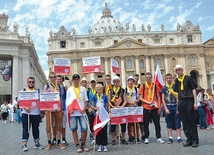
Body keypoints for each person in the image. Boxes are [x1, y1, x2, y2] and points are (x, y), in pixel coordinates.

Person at [174, 64, 199, 147]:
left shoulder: (188, 78)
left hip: (189, 101)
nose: (178, 71)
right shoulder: (177, 80)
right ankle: (189, 139)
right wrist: (178, 105)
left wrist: (195, 102)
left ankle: (195, 140)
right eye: (176, 70)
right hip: (181, 102)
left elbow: (193, 90)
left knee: (191, 121)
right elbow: (177, 93)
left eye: (179, 70)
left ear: (182, 70)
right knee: (184, 122)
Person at [138, 72, 165, 144]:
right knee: (145, 124)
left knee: (157, 123)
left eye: (149, 77)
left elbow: (158, 96)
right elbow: (140, 97)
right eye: (147, 77)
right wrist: (147, 102)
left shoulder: (155, 86)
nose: (148, 79)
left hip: (155, 107)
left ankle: (158, 137)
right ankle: (146, 137)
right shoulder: (142, 86)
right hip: (146, 107)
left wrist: (159, 106)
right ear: (145, 78)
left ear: (151, 78)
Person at [66, 74, 89, 153]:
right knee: (74, 129)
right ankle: (77, 145)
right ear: (72, 80)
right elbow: (67, 101)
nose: (76, 81)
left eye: (77, 79)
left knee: (84, 128)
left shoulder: (83, 89)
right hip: (73, 113)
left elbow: (86, 100)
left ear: (79, 80)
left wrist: (84, 108)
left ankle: (83, 143)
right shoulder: (69, 90)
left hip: (81, 112)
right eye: (74, 79)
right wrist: (69, 109)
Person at [21, 77, 44, 152]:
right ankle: (24, 144)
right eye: (30, 82)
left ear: (34, 83)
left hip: (36, 113)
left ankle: (37, 143)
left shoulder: (38, 91)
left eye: (32, 82)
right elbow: (20, 102)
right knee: (26, 128)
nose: (31, 83)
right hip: (26, 113)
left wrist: (42, 112)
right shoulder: (23, 91)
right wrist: (24, 107)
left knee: (36, 128)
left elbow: (41, 102)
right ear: (27, 83)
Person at [44, 72, 65, 150]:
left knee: (59, 126)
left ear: (56, 78)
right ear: (49, 78)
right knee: (49, 126)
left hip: (58, 109)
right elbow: (43, 98)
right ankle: (49, 143)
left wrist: (62, 109)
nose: (53, 78)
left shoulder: (59, 86)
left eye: (54, 77)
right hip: (49, 110)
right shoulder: (46, 86)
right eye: (51, 77)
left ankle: (58, 142)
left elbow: (61, 98)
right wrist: (46, 93)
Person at [161, 73, 184, 144]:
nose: (168, 79)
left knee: (178, 123)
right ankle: (170, 138)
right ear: (165, 79)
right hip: (168, 106)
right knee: (169, 123)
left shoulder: (175, 87)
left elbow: (178, 97)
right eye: (167, 78)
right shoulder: (164, 88)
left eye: (170, 78)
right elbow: (163, 99)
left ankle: (179, 138)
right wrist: (165, 108)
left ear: (172, 79)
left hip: (175, 106)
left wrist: (178, 107)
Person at [108, 76, 128, 145]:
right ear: (113, 82)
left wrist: (122, 106)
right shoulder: (110, 91)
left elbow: (125, 100)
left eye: (117, 81)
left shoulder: (122, 90)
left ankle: (123, 138)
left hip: (121, 109)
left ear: (119, 82)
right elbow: (108, 101)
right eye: (114, 81)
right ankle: (113, 139)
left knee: (123, 125)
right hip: (114, 110)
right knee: (113, 125)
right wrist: (112, 106)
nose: (116, 83)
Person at [51, 75, 69, 146]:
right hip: (54, 109)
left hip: (63, 108)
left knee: (63, 125)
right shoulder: (53, 88)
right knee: (54, 125)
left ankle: (63, 139)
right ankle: (54, 138)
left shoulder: (64, 88)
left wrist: (67, 90)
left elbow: (67, 98)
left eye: (60, 79)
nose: (59, 80)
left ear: (62, 80)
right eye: (57, 79)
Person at [91, 84, 109, 152]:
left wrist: (109, 112)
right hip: (97, 115)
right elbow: (92, 105)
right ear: (96, 90)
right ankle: (99, 144)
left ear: (102, 89)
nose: (99, 91)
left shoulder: (104, 96)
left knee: (104, 130)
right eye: (98, 89)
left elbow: (107, 105)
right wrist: (94, 108)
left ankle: (104, 145)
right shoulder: (94, 96)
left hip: (103, 115)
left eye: (100, 89)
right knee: (98, 130)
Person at [124, 76, 140, 144]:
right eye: (129, 81)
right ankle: (130, 136)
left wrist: (135, 102)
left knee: (136, 123)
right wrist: (130, 102)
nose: (131, 82)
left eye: (132, 81)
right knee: (129, 123)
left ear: (134, 82)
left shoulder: (136, 89)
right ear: (127, 81)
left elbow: (139, 98)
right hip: (128, 107)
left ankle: (137, 136)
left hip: (135, 107)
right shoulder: (125, 89)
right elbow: (125, 99)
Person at [133, 73, 145, 141]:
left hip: (139, 105)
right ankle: (135, 135)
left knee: (141, 122)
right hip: (132, 106)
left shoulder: (141, 86)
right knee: (133, 122)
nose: (136, 80)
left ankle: (143, 134)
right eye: (135, 79)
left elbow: (142, 96)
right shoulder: (130, 86)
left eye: (137, 79)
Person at [86, 78, 97, 144]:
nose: (93, 84)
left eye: (94, 82)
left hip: (96, 108)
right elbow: (86, 99)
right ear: (90, 83)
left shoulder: (97, 90)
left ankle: (97, 136)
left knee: (97, 122)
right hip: (90, 109)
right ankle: (93, 137)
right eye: (91, 82)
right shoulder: (88, 91)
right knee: (91, 123)